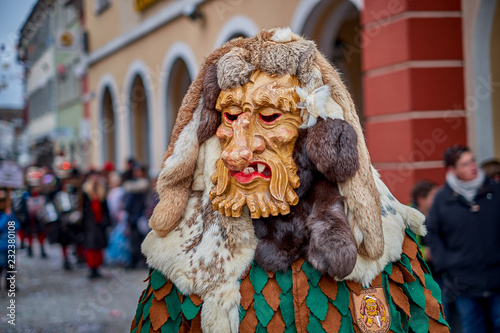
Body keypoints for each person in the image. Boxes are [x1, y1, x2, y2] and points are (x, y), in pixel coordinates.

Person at [426, 145, 500, 333]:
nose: (473, 166)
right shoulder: (443, 199)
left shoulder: (494, 190)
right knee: (472, 325)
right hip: (462, 279)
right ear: (453, 170)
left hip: (496, 274)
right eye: (465, 164)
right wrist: (445, 263)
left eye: (473, 161)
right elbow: (432, 233)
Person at [81, 171, 110, 278]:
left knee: (98, 246)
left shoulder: (101, 191)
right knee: (91, 247)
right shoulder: (85, 191)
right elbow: (83, 209)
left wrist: (106, 221)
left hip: (99, 223)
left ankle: (97, 267)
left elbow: (105, 208)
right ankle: (92, 267)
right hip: (90, 223)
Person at [122, 164, 149, 269]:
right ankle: (134, 260)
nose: (136, 173)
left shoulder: (142, 184)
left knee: (140, 240)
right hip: (133, 216)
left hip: (140, 216)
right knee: (134, 240)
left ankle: (140, 261)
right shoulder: (134, 184)